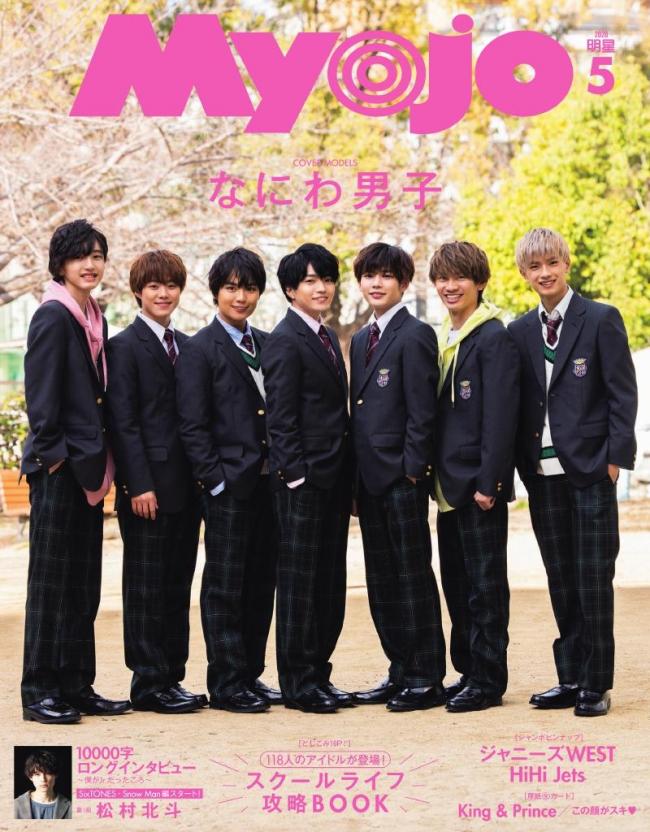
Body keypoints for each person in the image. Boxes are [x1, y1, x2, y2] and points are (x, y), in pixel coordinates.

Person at [508, 227, 638, 716]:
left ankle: (595, 684)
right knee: (560, 578)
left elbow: (623, 395)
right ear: (524, 273)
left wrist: (614, 462)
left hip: (591, 471)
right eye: (535, 267)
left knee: (592, 579)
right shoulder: (519, 331)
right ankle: (569, 677)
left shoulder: (600, 318)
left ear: (566, 264)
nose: (545, 273)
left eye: (552, 263)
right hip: (542, 476)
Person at [20, 219, 130, 724]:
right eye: (80, 256)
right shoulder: (53, 316)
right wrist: (58, 458)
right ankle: (40, 691)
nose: (90, 264)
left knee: (83, 584)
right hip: (59, 470)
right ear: (60, 263)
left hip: (87, 468)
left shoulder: (92, 315)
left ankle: (76, 685)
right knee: (50, 587)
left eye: (97, 255)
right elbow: (41, 402)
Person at [176, 248, 280, 713]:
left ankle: (251, 674)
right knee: (225, 584)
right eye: (232, 288)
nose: (241, 297)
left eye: (250, 288)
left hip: (268, 484)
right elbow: (192, 425)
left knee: (260, 581)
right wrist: (214, 481)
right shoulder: (199, 349)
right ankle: (226, 681)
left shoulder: (268, 343)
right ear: (216, 291)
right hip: (228, 487)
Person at [349, 242, 446, 712]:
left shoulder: (416, 334)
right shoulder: (359, 339)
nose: (376, 283)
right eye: (369, 275)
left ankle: (426, 677)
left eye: (386, 275)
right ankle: (399, 670)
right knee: (382, 580)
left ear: (404, 283)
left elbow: (423, 413)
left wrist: (412, 472)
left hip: (402, 480)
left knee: (412, 577)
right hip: (368, 482)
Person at [107, 250, 204, 714]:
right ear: (138, 292)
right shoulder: (123, 347)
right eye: (154, 286)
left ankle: (172, 678)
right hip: (146, 489)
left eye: (171, 285)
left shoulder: (188, 345)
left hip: (187, 486)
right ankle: (148, 682)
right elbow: (123, 423)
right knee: (145, 587)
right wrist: (137, 484)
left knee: (177, 586)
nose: (163, 293)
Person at [261, 243, 352, 713]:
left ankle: (319, 674)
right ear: (290, 289)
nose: (322, 288)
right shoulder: (284, 339)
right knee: (299, 585)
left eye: (328, 279)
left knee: (328, 582)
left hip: (333, 480)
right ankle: (298, 683)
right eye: (311, 281)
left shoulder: (325, 335)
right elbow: (280, 418)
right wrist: (295, 476)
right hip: (303, 484)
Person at [429, 241, 519, 712]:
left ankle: (488, 680)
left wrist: (491, 482)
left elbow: (501, 418)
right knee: (457, 586)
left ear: (480, 282)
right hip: (448, 487)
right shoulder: (446, 335)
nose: (450, 286)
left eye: (460, 277)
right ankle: (467, 672)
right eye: (442, 278)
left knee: (486, 588)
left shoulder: (493, 336)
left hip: (479, 487)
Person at [14, 750, 71, 819]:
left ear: (55, 775)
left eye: (48, 773)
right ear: (30, 777)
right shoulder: (16, 805)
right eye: (37, 774)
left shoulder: (69, 806)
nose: (43, 779)